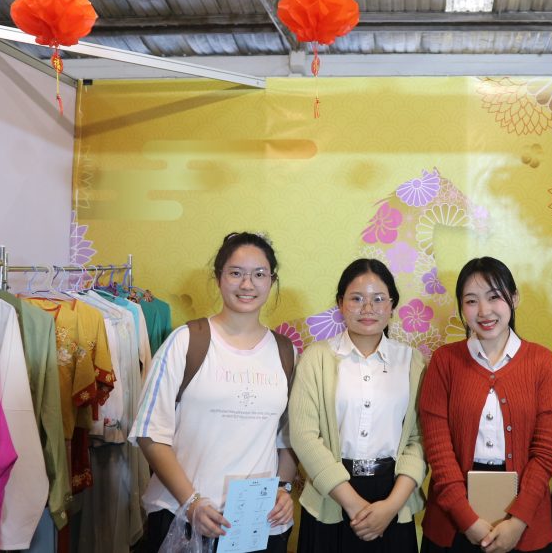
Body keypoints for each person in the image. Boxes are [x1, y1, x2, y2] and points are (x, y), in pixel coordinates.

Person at [129, 232, 297, 552]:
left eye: (259, 274)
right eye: (236, 273)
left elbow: (287, 438)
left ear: (271, 281)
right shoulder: (185, 341)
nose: (247, 284)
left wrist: (283, 488)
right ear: (219, 277)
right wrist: (191, 502)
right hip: (184, 517)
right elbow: (151, 433)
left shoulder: (285, 352)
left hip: (257, 523)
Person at [419, 257, 552, 553]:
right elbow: (438, 449)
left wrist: (518, 520)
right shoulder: (444, 361)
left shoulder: (543, 362)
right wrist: (466, 519)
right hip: (452, 522)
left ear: (514, 298)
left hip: (524, 523)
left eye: (494, 297)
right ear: (462, 308)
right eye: (471, 301)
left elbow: (546, 452)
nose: (484, 311)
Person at [289, 258, 426, 552]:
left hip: (393, 496)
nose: (368, 308)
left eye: (378, 299)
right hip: (331, 496)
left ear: (392, 305)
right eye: (356, 298)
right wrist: (354, 505)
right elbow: (303, 436)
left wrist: (391, 506)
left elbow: (419, 439)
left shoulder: (412, 362)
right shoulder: (316, 358)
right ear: (341, 303)